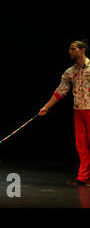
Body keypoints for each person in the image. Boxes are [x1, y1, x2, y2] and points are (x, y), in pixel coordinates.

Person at [39, 39, 90, 187]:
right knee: (82, 146)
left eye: (73, 49)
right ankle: (84, 177)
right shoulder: (70, 72)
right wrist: (46, 107)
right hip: (78, 112)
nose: (70, 52)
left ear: (82, 50)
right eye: (70, 49)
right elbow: (60, 91)